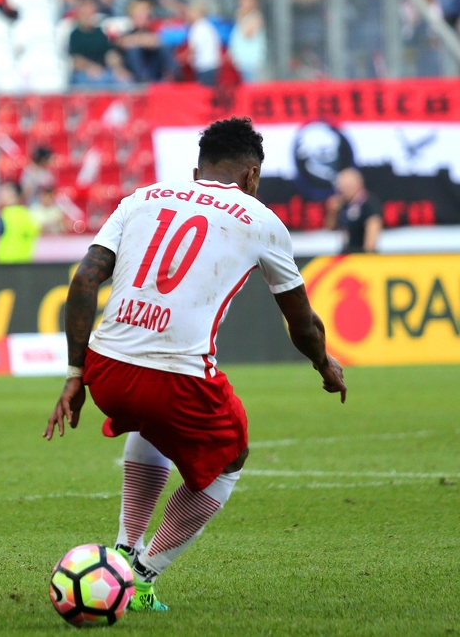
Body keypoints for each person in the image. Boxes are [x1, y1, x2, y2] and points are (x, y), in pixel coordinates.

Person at [44, 117, 346, 612]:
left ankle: (122, 551)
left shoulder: (141, 198)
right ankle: (139, 578)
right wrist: (324, 364)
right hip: (177, 376)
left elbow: (83, 282)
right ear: (251, 176)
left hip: (107, 369)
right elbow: (303, 322)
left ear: (196, 170)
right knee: (232, 456)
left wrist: (76, 374)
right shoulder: (260, 218)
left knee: (151, 422)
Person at [68, 0, 132, 89]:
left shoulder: (100, 33)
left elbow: (110, 54)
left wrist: (118, 68)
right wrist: (90, 67)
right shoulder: (75, 35)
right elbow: (76, 60)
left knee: (124, 81)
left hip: (103, 72)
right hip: (84, 73)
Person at [325, 167, 382, 253]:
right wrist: (332, 212)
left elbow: (373, 230)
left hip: (360, 256)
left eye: (345, 186)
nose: (342, 190)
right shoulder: (344, 204)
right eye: (340, 186)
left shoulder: (368, 203)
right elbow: (330, 228)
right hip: (346, 254)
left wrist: (367, 254)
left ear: (357, 184)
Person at [0, 181, 40, 263]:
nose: (0, 194)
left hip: (3, 265)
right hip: (25, 264)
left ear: (12, 195)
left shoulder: (4, 217)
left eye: (4, 191)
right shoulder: (29, 216)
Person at [227, 0, 266, 82]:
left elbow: (247, 33)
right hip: (242, 61)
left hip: (250, 61)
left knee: (251, 88)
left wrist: (240, 16)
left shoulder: (255, 16)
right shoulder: (244, 17)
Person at [185, 0, 222, 86]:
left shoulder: (198, 27)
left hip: (205, 65)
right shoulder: (208, 26)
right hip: (212, 64)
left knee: (204, 94)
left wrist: (186, 57)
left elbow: (194, 47)